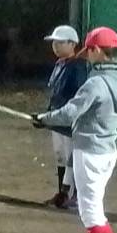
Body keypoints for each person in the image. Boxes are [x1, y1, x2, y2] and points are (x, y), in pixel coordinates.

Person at [32, 27, 117, 233]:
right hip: (107, 150)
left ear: (97, 50)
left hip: (89, 151)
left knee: (89, 211)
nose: (87, 56)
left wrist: (44, 119)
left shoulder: (95, 83)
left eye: (89, 51)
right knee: (96, 209)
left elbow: (70, 112)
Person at [39, 25, 89, 208]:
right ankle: (62, 193)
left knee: (71, 157)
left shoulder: (77, 67)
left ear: (72, 44)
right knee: (60, 155)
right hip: (57, 118)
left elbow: (78, 97)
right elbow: (55, 93)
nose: (56, 46)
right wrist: (47, 116)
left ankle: (74, 195)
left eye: (60, 42)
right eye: (54, 43)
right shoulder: (60, 64)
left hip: (68, 120)